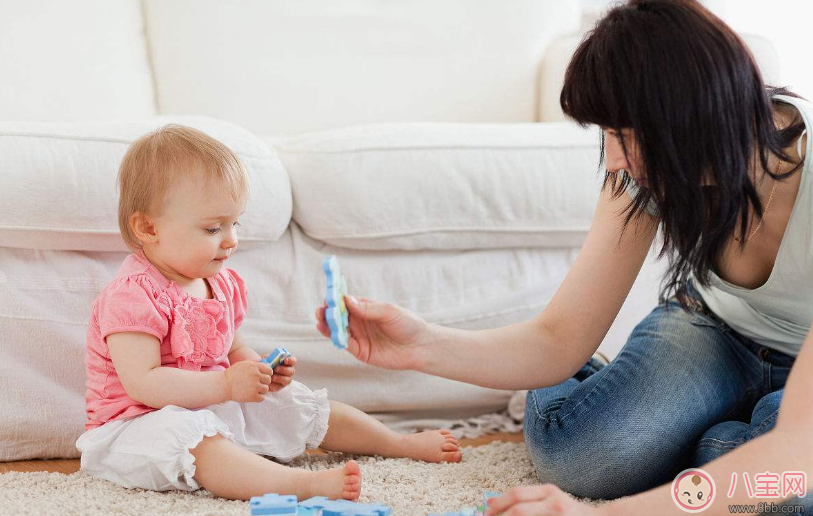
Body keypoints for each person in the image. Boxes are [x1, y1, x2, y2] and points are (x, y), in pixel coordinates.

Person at [316, 1, 813, 514]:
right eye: (607, 134)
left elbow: (795, 455)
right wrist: (423, 344)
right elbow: (559, 339)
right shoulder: (641, 175)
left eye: (625, 135)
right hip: (711, 331)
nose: (614, 159)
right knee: (584, 455)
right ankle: (711, 431)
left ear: (695, 116)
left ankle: (725, 442)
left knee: (788, 492)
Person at [75, 125, 462, 502]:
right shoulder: (132, 296)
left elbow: (233, 348)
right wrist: (227, 386)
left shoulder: (220, 283)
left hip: (207, 403)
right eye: (212, 228)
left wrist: (261, 373)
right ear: (147, 228)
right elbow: (145, 383)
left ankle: (396, 443)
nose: (231, 240)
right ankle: (297, 484)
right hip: (134, 428)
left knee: (297, 402)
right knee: (197, 442)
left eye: (234, 223)